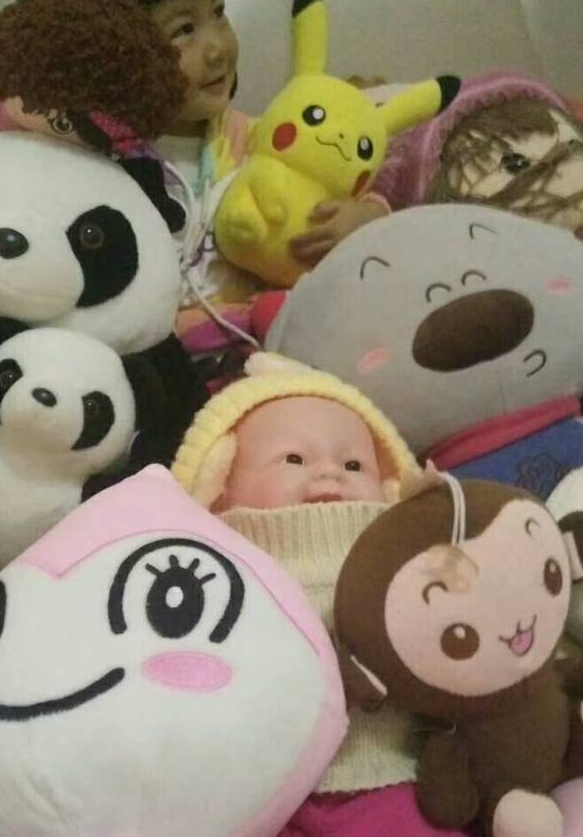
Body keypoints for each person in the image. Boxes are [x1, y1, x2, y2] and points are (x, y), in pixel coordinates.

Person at [43, 0, 391, 310]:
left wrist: (365, 219)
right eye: (184, 29)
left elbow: (338, 186)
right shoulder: (90, 158)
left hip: (253, 333)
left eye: (219, 11)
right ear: (111, 52)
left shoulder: (256, 141)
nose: (218, 48)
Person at [173, 354, 467, 837]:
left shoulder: (400, 549)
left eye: (354, 464)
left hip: (390, 774)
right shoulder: (216, 565)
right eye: (294, 458)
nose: (330, 474)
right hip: (261, 791)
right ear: (219, 482)